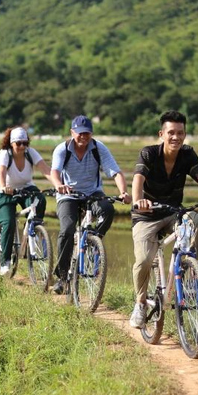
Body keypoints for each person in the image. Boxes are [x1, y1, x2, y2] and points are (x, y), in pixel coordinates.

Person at [129, 110, 198, 328]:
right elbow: (138, 178)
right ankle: (141, 303)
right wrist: (138, 200)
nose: (176, 137)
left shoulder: (187, 154)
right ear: (161, 133)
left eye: (180, 133)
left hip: (174, 213)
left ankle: (192, 277)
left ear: (185, 134)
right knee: (144, 260)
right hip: (146, 215)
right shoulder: (149, 153)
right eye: (171, 132)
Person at [50, 115, 131, 294]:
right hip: (68, 195)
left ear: (91, 134)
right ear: (72, 133)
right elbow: (54, 172)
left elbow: (115, 172)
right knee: (67, 230)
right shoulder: (62, 149)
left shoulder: (98, 148)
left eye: (86, 134)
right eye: (79, 133)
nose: (83, 137)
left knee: (108, 210)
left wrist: (123, 192)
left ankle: (93, 240)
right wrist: (59, 186)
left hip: (93, 193)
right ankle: (62, 276)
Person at [0, 126, 52, 276]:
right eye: (18, 143)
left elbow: (45, 170)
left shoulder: (30, 153)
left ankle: (33, 228)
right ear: (11, 143)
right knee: (9, 221)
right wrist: (4, 186)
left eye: (25, 143)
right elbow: (1, 171)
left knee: (40, 200)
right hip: (5, 190)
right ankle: (5, 261)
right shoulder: (5, 154)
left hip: (25, 187)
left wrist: (59, 185)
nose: (22, 147)